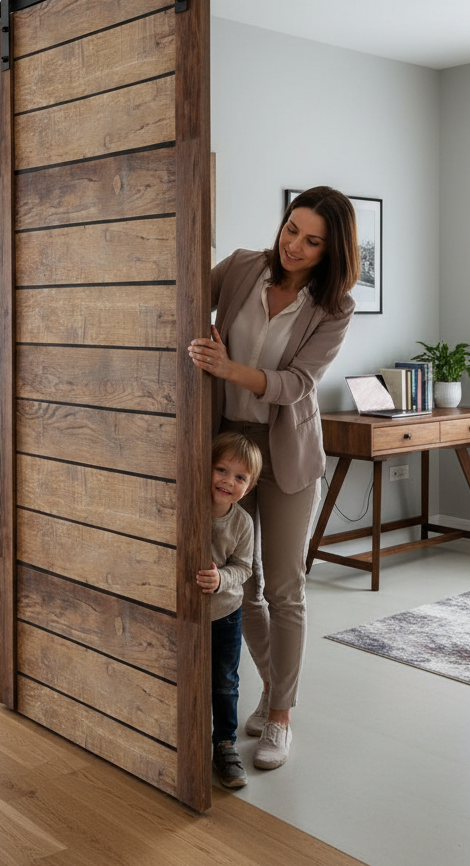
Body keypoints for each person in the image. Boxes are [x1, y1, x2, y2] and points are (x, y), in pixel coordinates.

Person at [188, 186, 359, 771]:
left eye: (313, 241)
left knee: (285, 587)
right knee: (243, 583)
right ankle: (272, 691)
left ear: (331, 249)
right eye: (292, 229)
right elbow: (181, 292)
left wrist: (230, 366)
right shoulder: (240, 267)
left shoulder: (334, 308)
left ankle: (280, 716)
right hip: (226, 442)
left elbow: (297, 385)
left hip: (284, 449)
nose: (295, 246)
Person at [197, 430, 262, 788]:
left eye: (239, 477)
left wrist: (220, 578)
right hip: (186, 613)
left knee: (224, 683)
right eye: (222, 470)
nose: (228, 481)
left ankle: (224, 744)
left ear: (248, 488)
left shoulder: (242, 524)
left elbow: (245, 567)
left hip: (225, 613)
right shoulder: (186, 505)